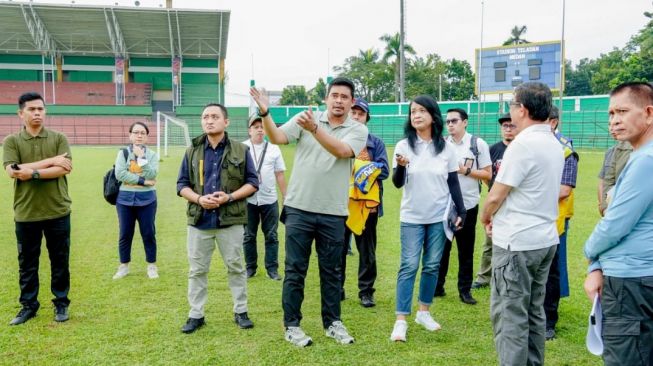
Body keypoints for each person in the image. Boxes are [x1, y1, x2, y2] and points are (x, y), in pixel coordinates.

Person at [249, 77, 367, 347]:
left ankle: (332, 322)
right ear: (326, 99)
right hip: (299, 209)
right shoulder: (306, 118)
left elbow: (341, 151)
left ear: (351, 102)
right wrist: (266, 113)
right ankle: (292, 325)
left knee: (332, 271)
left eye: (344, 97)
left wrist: (315, 129)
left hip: (334, 212)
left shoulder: (357, 130)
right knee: (295, 270)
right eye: (334, 95)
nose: (338, 100)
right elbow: (277, 136)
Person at [480, 82, 563, 365]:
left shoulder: (522, 144)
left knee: (510, 317)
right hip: (545, 240)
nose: (510, 111)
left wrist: (485, 216)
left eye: (512, 105)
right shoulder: (554, 141)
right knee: (533, 313)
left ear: (523, 110)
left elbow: (496, 195)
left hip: (518, 243)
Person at [584, 81, 653, 366]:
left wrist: (590, 253)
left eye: (622, 111)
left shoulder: (645, 160)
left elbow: (614, 224)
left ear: (649, 113)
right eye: (611, 114)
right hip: (636, 276)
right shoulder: (640, 156)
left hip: (631, 282)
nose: (615, 120)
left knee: (626, 356)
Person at [176, 103, 259, 334]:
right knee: (197, 270)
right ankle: (196, 315)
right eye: (205, 117)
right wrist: (199, 199)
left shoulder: (241, 150)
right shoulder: (192, 150)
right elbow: (181, 185)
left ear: (226, 121)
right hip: (199, 220)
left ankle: (241, 311)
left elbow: (253, 182)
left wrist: (229, 197)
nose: (209, 120)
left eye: (214, 116)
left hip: (230, 220)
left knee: (236, 267)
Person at [389, 95, 466, 342]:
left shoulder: (447, 149)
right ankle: (401, 320)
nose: (416, 115)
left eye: (421, 111)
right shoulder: (403, 146)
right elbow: (398, 183)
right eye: (413, 112)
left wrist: (462, 211)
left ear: (433, 116)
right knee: (409, 265)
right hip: (411, 216)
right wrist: (401, 166)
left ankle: (424, 312)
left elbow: (453, 182)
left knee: (432, 265)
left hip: (438, 218)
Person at [3, 92, 73, 325]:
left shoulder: (58, 138)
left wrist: (31, 172)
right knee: (27, 264)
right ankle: (28, 306)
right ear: (20, 113)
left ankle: (61, 303)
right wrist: (50, 161)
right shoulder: (12, 141)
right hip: (26, 213)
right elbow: (12, 171)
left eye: (40, 109)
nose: (37, 113)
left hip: (58, 211)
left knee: (60, 261)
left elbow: (63, 169)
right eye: (32, 109)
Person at [435, 108, 491, 305]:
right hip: (444, 205)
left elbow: (487, 174)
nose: (450, 124)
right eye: (448, 121)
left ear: (465, 122)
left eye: (454, 121)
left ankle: (465, 291)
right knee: (442, 248)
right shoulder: (441, 143)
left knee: (465, 250)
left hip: (468, 204)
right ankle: (437, 286)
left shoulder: (477, 144)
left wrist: (465, 170)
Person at [340, 97, 389, 308]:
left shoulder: (375, 143)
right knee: (337, 249)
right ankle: (337, 289)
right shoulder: (339, 140)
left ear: (367, 118)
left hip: (367, 206)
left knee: (367, 251)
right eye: (354, 113)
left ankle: (366, 292)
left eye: (361, 114)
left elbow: (385, 170)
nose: (357, 116)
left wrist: (359, 168)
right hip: (340, 204)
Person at [543, 106, 579, 341]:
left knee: (551, 273)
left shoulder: (566, 150)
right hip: (528, 219)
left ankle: (549, 321)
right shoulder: (527, 145)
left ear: (553, 123)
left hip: (554, 221)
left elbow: (565, 189)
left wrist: (531, 194)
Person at [472, 112, 515, 290]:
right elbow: (486, 173)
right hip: (495, 201)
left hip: (514, 201)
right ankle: (484, 276)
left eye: (512, 125)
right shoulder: (493, 149)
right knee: (490, 240)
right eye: (505, 126)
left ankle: (508, 276)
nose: (508, 129)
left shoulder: (520, 148)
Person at [112, 121, 160, 280]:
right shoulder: (123, 153)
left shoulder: (152, 155)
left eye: (142, 133)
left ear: (147, 137)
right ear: (130, 135)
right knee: (125, 233)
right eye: (136, 132)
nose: (139, 136)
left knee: (148, 233)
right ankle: (124, 265)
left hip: (147, 200)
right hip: (124, 199)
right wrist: (142, 181)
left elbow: (152, 174)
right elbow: (120, 174)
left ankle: (152, 265)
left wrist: (142, 158)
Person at [242, 114, 287, 281]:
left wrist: (285, 196)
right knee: (248, 235)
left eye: (262, 127)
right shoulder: (242, 148)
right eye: (255, 127)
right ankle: (250, 268)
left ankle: (272, 269)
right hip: (248, 200)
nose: (259, 130)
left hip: (269, 200)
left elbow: (280, 174)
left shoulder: (274, 148)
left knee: (272, 235)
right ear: (249, 131)